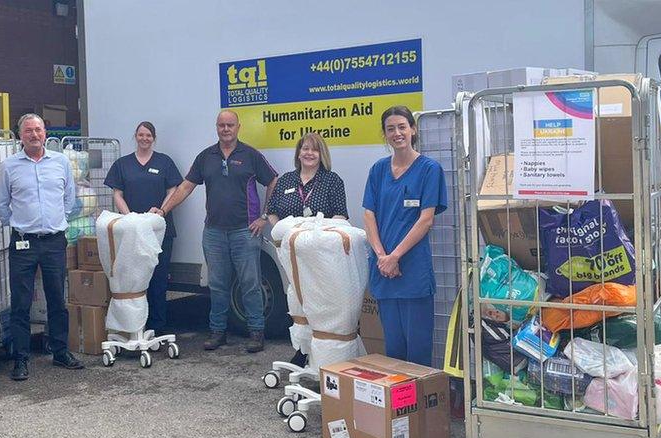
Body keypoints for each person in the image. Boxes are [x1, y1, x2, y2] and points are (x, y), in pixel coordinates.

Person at [155, 110, 278, 353]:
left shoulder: (251, 155)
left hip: (245, 231)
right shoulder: (206, 157)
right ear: (216, 127)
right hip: (214, 232)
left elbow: (274, 180)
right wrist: (163, 210)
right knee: (218, 284)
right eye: (221, 125)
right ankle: (218, 332)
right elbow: (186, 187)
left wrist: (265, 216)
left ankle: (256, 333)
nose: (225, 129)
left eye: (230, 125)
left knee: (250, 283)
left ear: (238, 127)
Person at [0, 113, 82, 381]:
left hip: (54, 240)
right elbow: (0, 204)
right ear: (20, 135)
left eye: (39, 130)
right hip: (24, 242)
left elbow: (70, 197)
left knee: (57, 298)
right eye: (29, 130)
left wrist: (60, 220)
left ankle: (60, 351)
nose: (34, 134)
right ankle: (21, 358)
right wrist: (18, 224)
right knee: (20, 302)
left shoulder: (60, 162)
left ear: (46, 133)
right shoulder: (9, 166)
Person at [362, 105, 447, 368]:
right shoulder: (378, 170)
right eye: (390, 129)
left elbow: (426, 219)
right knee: (394, 349)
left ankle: (421, 408)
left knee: (418, 351)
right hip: (385, 271)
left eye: (402, 127)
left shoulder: (429, 169)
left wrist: (395, 256)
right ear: (384, 134)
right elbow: (368, 215)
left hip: (412, 271)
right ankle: (399, 407)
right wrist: (382, 257)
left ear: (413, 129)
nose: (397, 133)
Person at [266, 132, 349, 366]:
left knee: (320, 300)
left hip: (320, 254)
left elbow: (341, 215)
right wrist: (284, 233)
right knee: (297, 299)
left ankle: (322, 352)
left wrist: (319, 237)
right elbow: (271, 210)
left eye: (314, 149)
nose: (309, 153)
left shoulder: (332, 180)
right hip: (292, 253)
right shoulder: (285, 181)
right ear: (298, 153)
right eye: (305, 148)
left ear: (321, 154)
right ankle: (302, 349)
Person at [103, 121, 182, 335]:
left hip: (159, 231)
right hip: (130, 233)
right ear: (135, 136)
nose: (144, 138)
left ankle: (157, 328)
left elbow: (173, 189)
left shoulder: (164, 162)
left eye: (148, 135)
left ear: (153, 138)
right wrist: (129, 218)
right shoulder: (123, 164)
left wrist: (162, 212)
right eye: (141, 135)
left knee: (158, 280)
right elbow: (117, 193)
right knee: (134, 281)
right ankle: (135, 328)